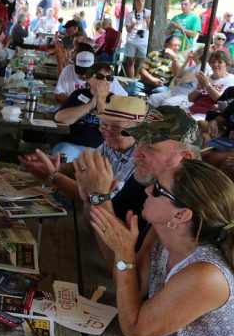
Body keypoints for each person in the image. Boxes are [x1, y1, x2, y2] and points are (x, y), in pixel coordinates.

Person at [90, 160, 234, 336]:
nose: (148, 189)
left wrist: (125, 253)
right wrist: (94, 196)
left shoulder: (206, 275)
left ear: (181, 215)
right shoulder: (161, 237)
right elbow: (132, 288)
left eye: (158, 189)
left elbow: (134, 327)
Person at [74, 106, 202, 259]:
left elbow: (121, 264)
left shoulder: (189, 207)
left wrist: (99, 197)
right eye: (139, 143)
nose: (137, 153)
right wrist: (92, 200)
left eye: (150, 147)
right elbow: (95, 229)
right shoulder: (146, 180)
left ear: (185, 158)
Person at [20, 96, 144, 202]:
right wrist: (58, 167)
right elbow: (85, 167)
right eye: (104, 125)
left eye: (116, 128)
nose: (107, 132)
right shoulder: (111, 145)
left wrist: (53, 176)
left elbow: (105, 199)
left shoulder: (141, 158)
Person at [52, 63, 120, 161]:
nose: (105, 81)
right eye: (100, 77)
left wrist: (100, 101)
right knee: (59, 163)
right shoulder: (78, 94)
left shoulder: (115, 100)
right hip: (72, 144)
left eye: (109, 78)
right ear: (88, 79)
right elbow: (59, 118)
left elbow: (111, 127)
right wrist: (90, 105)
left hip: (100, 149)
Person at [55, 44, 127, 103]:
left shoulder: (106, 77)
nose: (83, 75)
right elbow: (58, 93)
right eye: (79, 71)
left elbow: (123, 99)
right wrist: (75, 102)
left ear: (94, 67)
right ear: (74, 64)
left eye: (86, 72)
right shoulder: (68, 70)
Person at [187, 49, 234, 120]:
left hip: (208, 114)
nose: (215, 64)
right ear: (210, 64)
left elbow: (220, 100)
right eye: (213, 62)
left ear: (226, 64)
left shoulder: (231, 79)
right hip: (194, 109)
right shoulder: (207, 77)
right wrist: (198, 88)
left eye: (219, 62)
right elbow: (190, 99)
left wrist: (207, 85)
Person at [123, 0, 151, 78]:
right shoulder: (130, 14)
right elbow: (128, 30)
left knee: (142, 63)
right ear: (135, 2)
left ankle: (137, 80)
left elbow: (151, 29)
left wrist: (147, 20)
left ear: (145, 2)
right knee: (130, 62)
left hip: (143, 42)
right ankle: (131, 81)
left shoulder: (149, 13)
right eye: (138, 2)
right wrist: (133, 24)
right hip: (131, 41)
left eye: (142, 1)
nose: (140, 3)